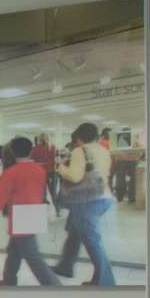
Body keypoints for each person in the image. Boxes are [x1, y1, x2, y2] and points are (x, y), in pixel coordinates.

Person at [49, 119, 119, 286]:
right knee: (74, 234)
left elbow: (74, 176)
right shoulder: (104, 150)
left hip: (86, 201)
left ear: (79, 138)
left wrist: (60, 167)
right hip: (103, 196)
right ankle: (65, 267)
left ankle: (105, 282)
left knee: (92, 240)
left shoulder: (80, 151)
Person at [0, 135, 54, 286]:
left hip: (21, 217)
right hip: (35, 212)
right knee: (14, 252)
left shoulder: (10, 173)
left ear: (12, 152)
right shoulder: (39, 169)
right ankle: (8, 281)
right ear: (30, 151)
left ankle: (54, 286)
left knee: (33, 257)